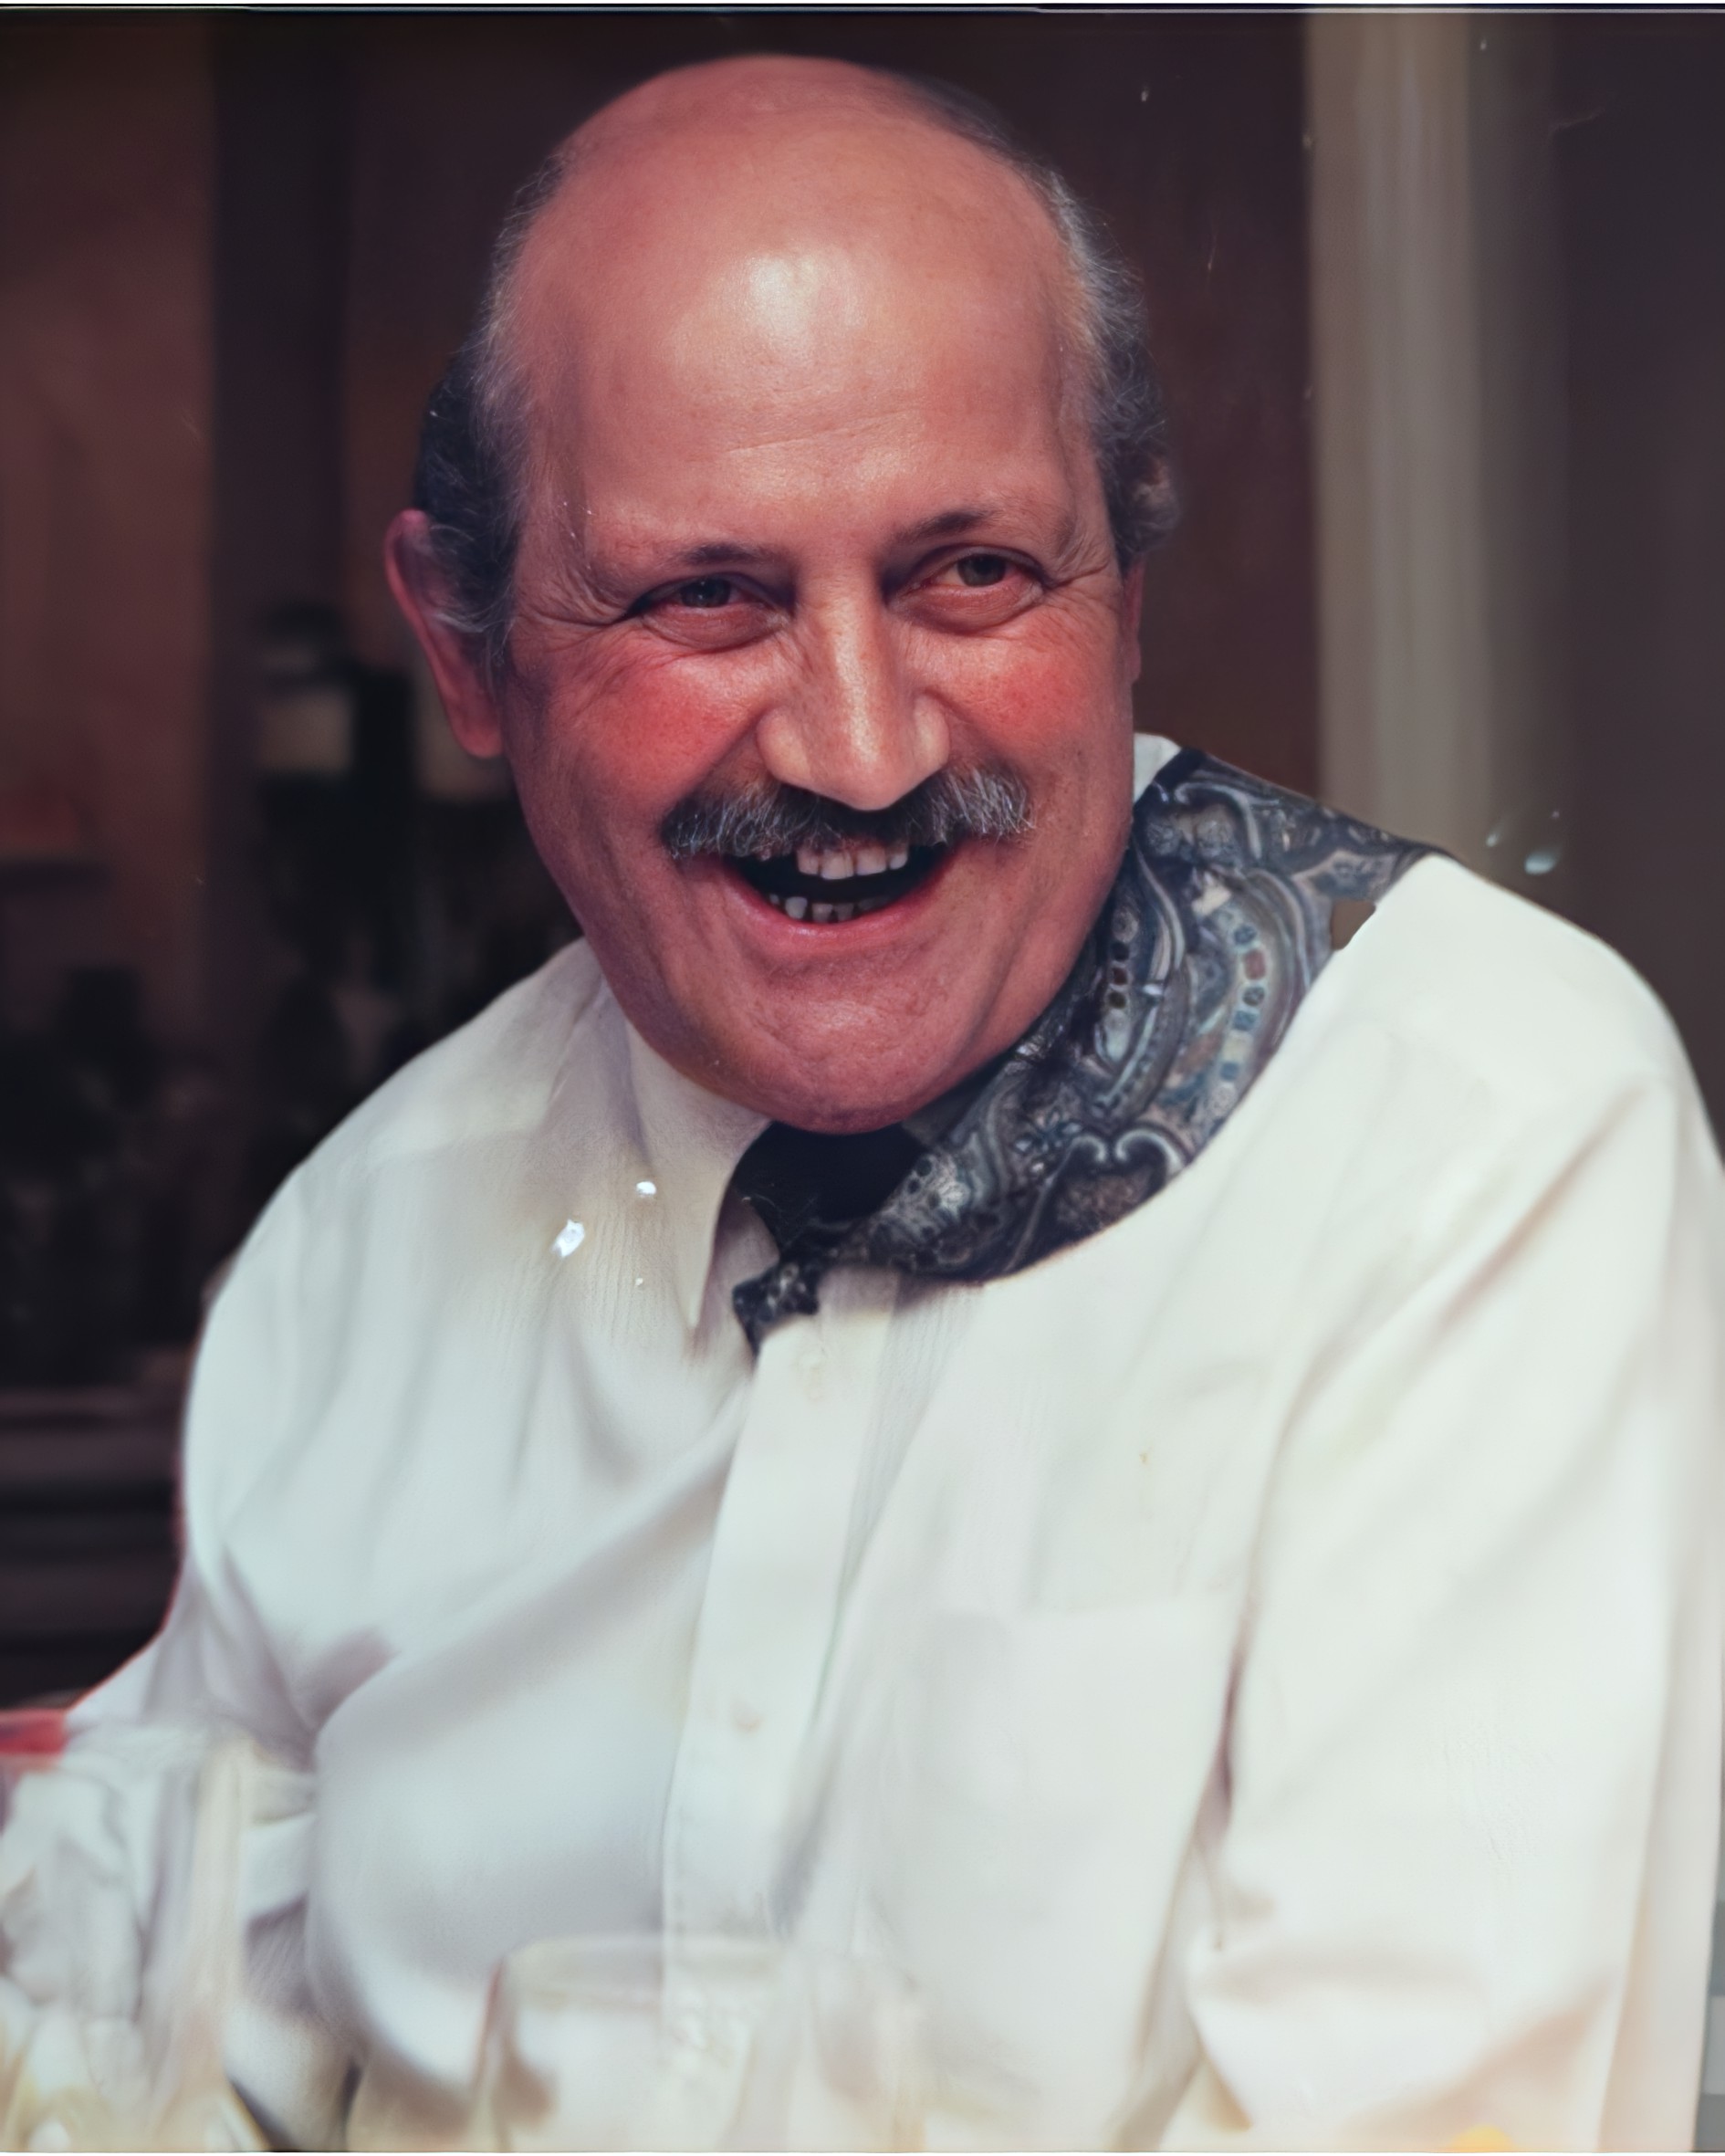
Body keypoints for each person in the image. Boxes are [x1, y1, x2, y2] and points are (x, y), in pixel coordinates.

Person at [2, 53, 1721, 2153]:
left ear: (1126, 598)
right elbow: (122, 2044)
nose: (860, 747)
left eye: (969, 572)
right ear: (466, 652)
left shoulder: (1465, 1135)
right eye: (706, 596)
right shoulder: (363, 1243)